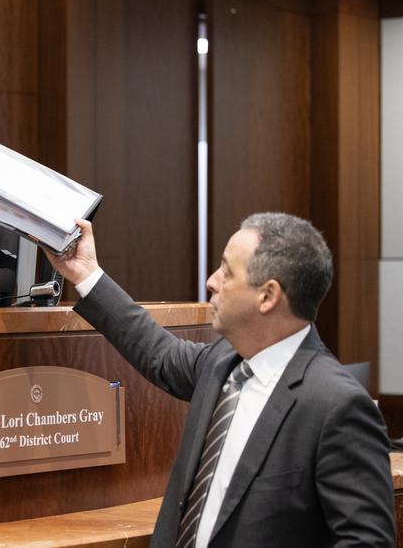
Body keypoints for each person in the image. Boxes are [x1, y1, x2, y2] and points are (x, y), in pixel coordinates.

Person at [45, 213, 395, 547]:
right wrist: (86, 273)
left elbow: (366, 541)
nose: (211, 281)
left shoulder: (337, 406)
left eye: (227, 272)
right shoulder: (221, 362)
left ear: (268, 295)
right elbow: (158, 352)